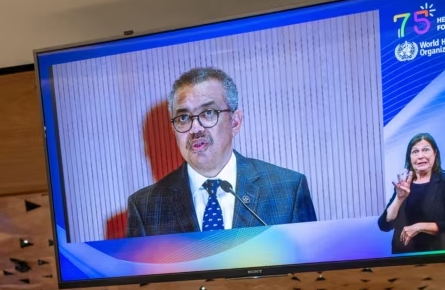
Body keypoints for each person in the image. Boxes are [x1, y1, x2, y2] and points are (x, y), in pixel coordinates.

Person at [126, 67, 317, 238]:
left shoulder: (288, 190)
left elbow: (313, 271)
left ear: (235, 122)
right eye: (183, 117)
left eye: (208, 113)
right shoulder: (145, 207)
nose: (195, 128)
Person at [377, 132, 445, 254]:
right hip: (404, 257)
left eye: (426, 150)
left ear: (435, 153)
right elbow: (384, 225)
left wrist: (419, 227)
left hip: (439, 255)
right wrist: (399, 198)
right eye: (415, 152)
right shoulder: (404, 184)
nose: (420, 156)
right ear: (409, 157)